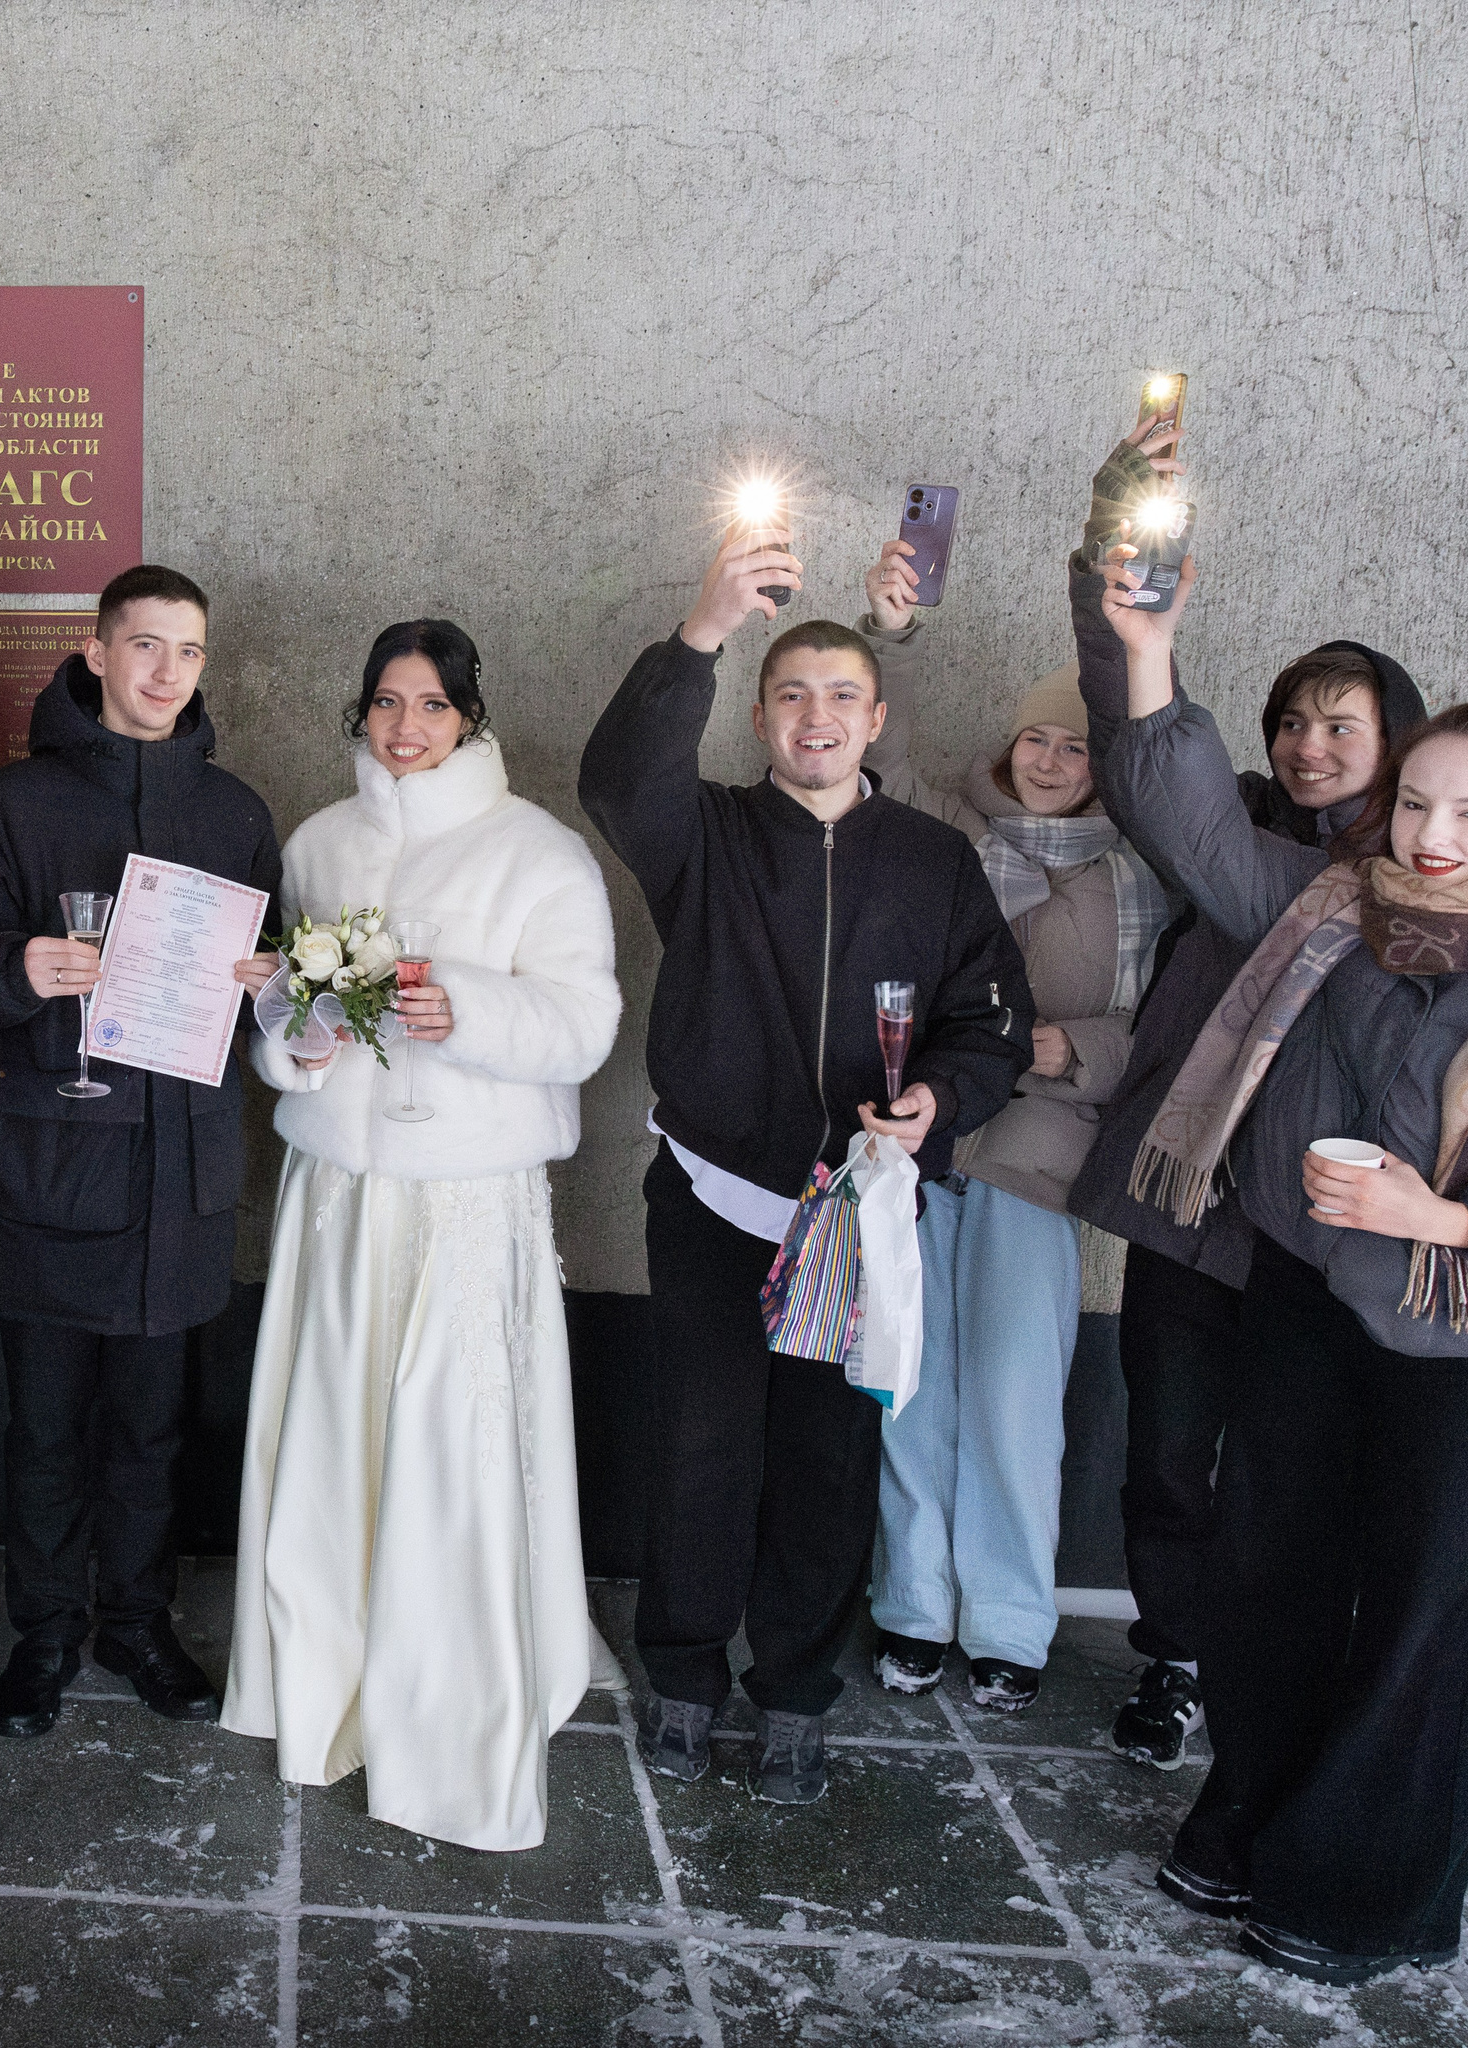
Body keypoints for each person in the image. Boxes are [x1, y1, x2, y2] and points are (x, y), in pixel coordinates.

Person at [1093, 540, 1468, 1986]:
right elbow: (1194, 828)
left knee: (1423, 1618)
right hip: (1297, 1291)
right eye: (1418, 799)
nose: (1430, 830)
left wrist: (1458, 1222)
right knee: (1271, 1580)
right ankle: (1249, 1824)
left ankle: (1358, 1890)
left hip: (1458, 1334)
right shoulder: (1333, 906)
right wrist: (1146, 647)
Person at [578, 517, 1032, 1805]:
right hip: (717, 1194)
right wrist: (705, 626)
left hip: (856, 1209)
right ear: (759, 715)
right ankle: (680, 1672)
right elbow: (616, 777)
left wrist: (936, 1100)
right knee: (704, 1440)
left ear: (876, 718)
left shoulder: (936, 863)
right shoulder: (703, 835)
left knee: (825, 1458)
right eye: (790, 694)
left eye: (841, 695)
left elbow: (986, 1020)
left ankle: (792, 1690)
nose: (816, 717)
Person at [220, 620, 627, 1851]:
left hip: (465, 1196)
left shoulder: (538, 852)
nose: (406, 727)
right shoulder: (320, 843)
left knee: (453, 1447)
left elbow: (586, 1024)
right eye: (387, 704)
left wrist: (472, 1009)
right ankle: (326, 1674)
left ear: (469, 718)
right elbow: (274, 1025)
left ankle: (447, 1704)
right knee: (334, 1427)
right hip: (340, 1189)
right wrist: (300, 1038)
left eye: (432, 706)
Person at [1062, 422, 1426, 1766]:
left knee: (1297, 1473)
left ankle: (1281, 1672)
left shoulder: (1433, 896)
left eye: (1342, 724)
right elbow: (1145, 738)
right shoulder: (1250, 845)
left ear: (1401, 742)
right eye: (1292, 721)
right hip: (1195, 1204)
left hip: (1332, 1233)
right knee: (1168, 1452)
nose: (1310, 743)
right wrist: (1122, 543)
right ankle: (1176, 1658)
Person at [0, 563, 282, 1741]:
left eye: (187, 650)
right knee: (48, 1425)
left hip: (182, 1170)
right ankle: (47, 1629)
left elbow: (264, 982)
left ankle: (136, 1619)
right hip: (53, 1171)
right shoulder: (19, 805)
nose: (166, 671)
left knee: (154, 1425)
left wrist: (268, 981)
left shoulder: (235, 812)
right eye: (144, 646)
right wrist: (21, 968)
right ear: (97, 652)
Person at [855, 540, 1172, 1714]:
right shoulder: (955, 830)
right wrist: (886, 629)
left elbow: (1167, 1032)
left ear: (1101, 762)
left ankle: (1007, 1620)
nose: (1047, 759)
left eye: (1075, 744)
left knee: (1012, 1393)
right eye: (1035, 738)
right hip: (932, 1146)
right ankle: (909, 1608)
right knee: (909, 1382)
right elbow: (870, 743)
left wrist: (1065, 1048)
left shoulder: (1141, 871)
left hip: (1043, 1158)